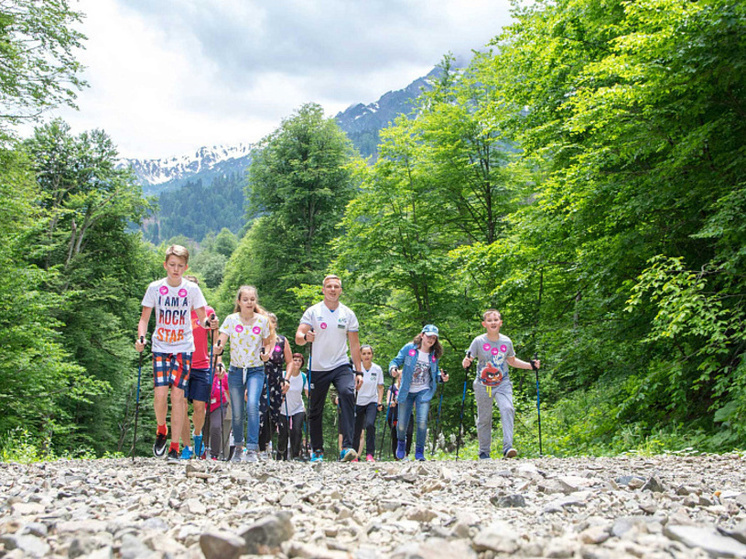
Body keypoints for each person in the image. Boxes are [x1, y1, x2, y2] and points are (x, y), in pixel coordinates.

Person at [135, 245, 211, 463]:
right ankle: (162, 429)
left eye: (180, 266)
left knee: (178, 396)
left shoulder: (192, 290)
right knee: (160, 394)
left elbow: (202, 316)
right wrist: (141, 337)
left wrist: (209, 323)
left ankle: (175, 448)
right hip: (160, 346)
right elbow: (144, 318)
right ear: (165, 265)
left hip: (183, 348)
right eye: (172, 265)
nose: (175, 270)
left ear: (186, 267)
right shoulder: (155, 288)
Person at [295, 274, 364, 462]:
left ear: (341, 290)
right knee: (315, 408)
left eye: (336, 286)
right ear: (323, 290)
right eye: (329, 286)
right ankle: (317, 450)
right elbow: (299, 335)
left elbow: (355, 345)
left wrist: (358, 371)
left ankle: (348, 447)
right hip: (317, 366)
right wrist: (305, 337)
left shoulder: (348, 314)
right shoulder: (313, 312)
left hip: (341, 363)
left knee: (347, 394)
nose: (333, 289)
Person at [462, 309, 540, 459]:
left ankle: (508, 447)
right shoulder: (478, 341)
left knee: (507, 408)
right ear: (484, 324)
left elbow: (511, 360)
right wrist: (465, 363)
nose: (493, 322)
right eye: (489, 320)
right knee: (485, 418)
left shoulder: (506, 341)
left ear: (500, 323)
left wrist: (531, 366)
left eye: (496, 320)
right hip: (483, 384)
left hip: (502, 382)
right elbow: (468, 359)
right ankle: (484, 452)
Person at [215, 285, 271, 463]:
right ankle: (239, 447)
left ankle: (252, 449)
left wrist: (266, 353)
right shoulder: (231, 320)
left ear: (256, 301)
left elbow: (268, 342)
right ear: (239, 301)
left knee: (253, 405)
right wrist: (218, 349)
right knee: (237, 411)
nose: (249, 302)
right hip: (236, 369)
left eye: (252, 299)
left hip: (255, 369)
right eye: (245, 299)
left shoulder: (262, 321)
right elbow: (221, 340)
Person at [389, 324, 449, 461]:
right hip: (406, 391)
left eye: (434, 338)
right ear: (422, 335)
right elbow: (396, 360)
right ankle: (401, 445)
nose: (431, 340)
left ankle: (419, 452)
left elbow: (434, 374)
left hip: (424, 391)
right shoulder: (409, 348)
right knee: (402, 423)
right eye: (429, 336)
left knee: (422, 422)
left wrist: (442, 378)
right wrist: (393, 368)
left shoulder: (434, 355)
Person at [179, 275, 219, 460]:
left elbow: (215, 337)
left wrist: (217, 360)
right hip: (181, 363)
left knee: (199, 406)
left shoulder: (207, 311)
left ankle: (197, 436)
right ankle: (186, 446)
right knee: (181, 406)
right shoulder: (177, 311)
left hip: (202, 364)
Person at [258, 313, 293, 460]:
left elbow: (289, 361)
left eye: (272, 323)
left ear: (276, 325)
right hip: (260, 378)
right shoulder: (259, 341)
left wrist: (287, 379)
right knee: (260, 413)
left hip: (276, 379)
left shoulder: (282, 341)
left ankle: (266, 444)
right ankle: (258, 447)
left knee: (274, 415)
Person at [353, 345, 384, 462]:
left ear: (372, 355)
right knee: (356, 428)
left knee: (370, 425)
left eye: (369, 353)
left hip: (371, 401)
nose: (366, 356)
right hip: (358, 401)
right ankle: (354, 454)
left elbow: (380, 387)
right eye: (364, 354)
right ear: (360, 355)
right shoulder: (356, 368)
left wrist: (379, 402)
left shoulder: (377, 369)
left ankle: (370, 454)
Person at [279, 353, 308, 460]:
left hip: (298, 408)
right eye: (295, 360)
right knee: (283, 433)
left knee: (296, 430)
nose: (297, 362)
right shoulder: (284, 375)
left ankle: (296, 454)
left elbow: (307, 392)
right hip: (283, 408)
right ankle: (282, 454)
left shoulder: (303, 377)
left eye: (299, 361)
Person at [386, 376, 413, 459]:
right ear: (398, 378)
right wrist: (392, 402)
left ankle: (406, 453)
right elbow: (388, 401)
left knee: (409, 433)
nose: (402, 380)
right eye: (401, 378)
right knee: (395, 434)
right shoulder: (393, 388)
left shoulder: (410, 388)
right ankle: (396, 456)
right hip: (395, 413)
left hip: (407, 413)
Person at [207, 362, 229, 460]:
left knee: (215, 427)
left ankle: (214, 454)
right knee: (203, 428)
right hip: (204, 405)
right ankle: (202, 450)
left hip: (219, 405)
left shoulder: (223, 376)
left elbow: (229, 391)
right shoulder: (204, 374)